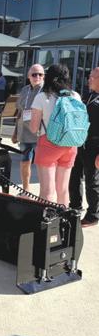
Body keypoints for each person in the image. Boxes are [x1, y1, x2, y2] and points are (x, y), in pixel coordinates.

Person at [29, 64, 81, 206]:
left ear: (48, 78)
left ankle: (46, 219)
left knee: (47, 191)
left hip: (48, 143)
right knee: (63, 190)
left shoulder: (42, 97)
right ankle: (63, 219)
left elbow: (33, 128)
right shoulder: (75, 96)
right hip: (70, 144)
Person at [69, 67, 99, 227]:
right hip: (80, 143)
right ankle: (74, 208)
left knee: (92, 181)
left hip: (94, 145)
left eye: (92, 77)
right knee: (74, 177)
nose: (89, 79)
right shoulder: (87, 96)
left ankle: (93, 215)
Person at [11, 64, 44, 191]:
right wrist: (15, 132)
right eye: (34, 74)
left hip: (40, 134)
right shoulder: (25, 90)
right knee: (24, 162)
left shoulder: (46, 91)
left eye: (40, 74)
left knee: (42, 166)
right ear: (28, 76)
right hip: (24, 133)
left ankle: (44, 193)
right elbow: (20, 112)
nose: (37, 77)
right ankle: (26, 190)